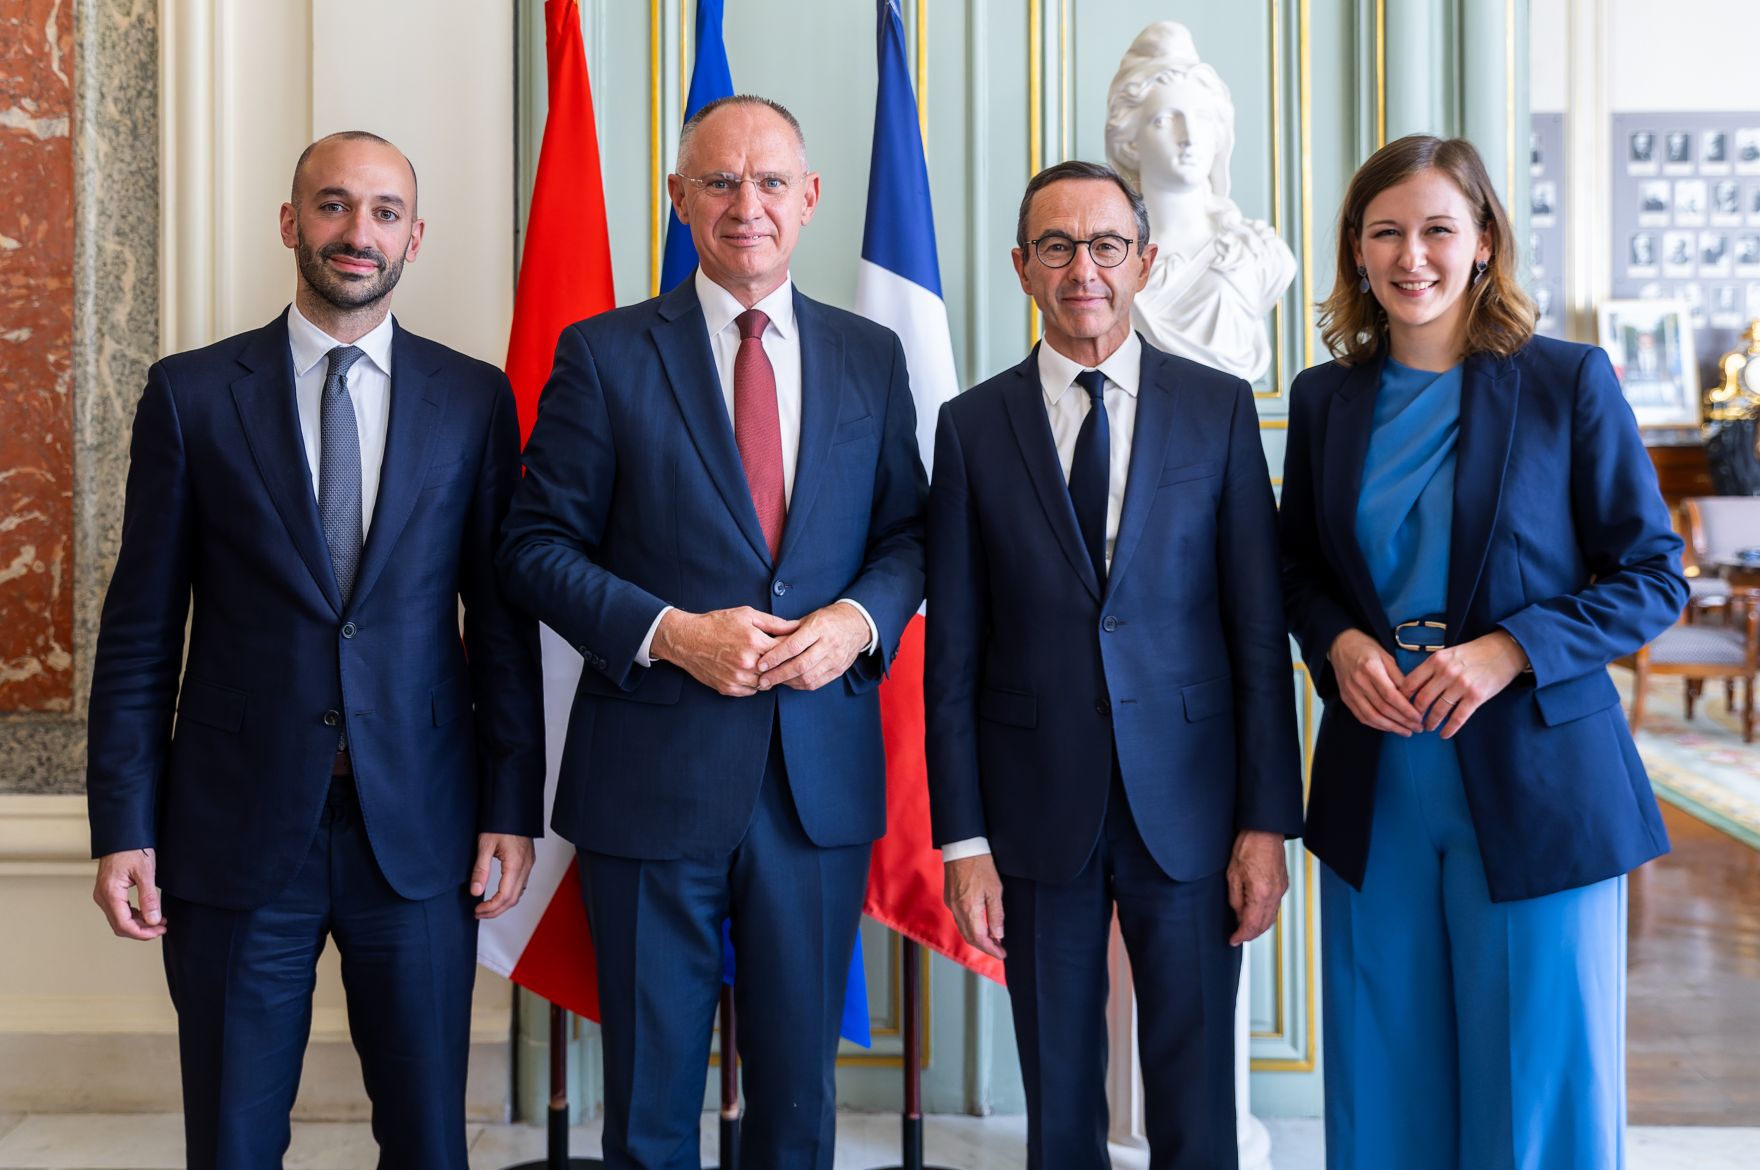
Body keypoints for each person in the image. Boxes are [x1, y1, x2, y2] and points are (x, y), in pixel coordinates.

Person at [86, 132, 545, 1170]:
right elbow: (141, 633)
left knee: (428, 1143)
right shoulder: (190, 396)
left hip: (419, 833)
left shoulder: (473, 400)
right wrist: (123, 825)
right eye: (333, 205)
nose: (357, 231)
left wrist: (511, 806)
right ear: (291, 224)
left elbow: (500, 626)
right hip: (234, 832)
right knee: (234, 1143)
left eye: (385, 212)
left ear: (414, 238)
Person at [497, 94, 926, 1170]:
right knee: (648, 1111)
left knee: (796, 1111)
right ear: (678, 198)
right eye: (721, 182)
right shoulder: (602, 354)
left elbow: (910, 535)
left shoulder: (870, 356)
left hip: (814, 785)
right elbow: (532, 547)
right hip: (651, 778)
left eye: (770, 181)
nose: (748, 205)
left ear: (809, 197)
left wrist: (855, 620)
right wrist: (668, 632)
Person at [1278, 134, 1686, 1170]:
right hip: (1376, 771)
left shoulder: (1566, 381)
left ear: (1484, 242)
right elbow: (1294, 567)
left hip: (1536, 776)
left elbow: (1652, 575)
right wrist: (1337, 642)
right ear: (1356, 249)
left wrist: (1510, 649)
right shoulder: (1324, 399)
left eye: (1436, 230)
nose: (1410, 256)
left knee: (1534, 1088)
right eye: (1385, 233)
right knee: (1383, 1080)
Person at [927, 159, 1303, 1170]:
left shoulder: (1218, 410)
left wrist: (1265, 822)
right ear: (1021, 267)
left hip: (1192, 807)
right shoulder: (970, 427)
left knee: (1196, 1102)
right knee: (1058, 1104)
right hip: (1032, 811)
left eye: (1104, 245)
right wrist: (962, 840)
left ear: (1143, 260)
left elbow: (1256, 632)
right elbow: (951, 655)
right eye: (1056, 247)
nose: (1081, 270)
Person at [1103, 21, 1295, 383]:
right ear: (1130, 142)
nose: (1189, 137)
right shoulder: (1106, 259)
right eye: (1165, 120)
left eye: (1202, 118)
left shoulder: (1259, 254)